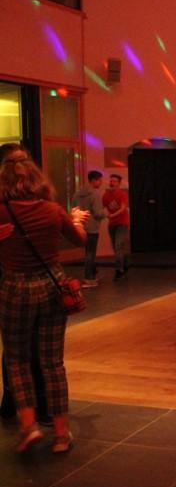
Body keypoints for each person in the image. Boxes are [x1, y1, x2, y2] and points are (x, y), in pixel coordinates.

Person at [0, 148, 88, 453]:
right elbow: (80, 240)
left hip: (15, 288)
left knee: (17, 359)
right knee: (52, 363)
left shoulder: (2, 211)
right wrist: (75, 220)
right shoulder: (52, 209)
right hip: (53, 286)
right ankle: (61, 434)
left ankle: (29, 426)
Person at [72, 170, 107, 287]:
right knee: (91, 253)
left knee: (88, 251)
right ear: (94, 180)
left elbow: (74, 210)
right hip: (92, 227)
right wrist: (106, 212)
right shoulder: (95, 194)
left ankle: (93, 273)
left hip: (81, 226)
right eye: (100, 180)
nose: (101, 183)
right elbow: (97, 213)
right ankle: (89, 278)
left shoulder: (77, 194)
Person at [102, 173, 130, 281]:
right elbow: (104, 207)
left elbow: (123, 208)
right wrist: (106, 215)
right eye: (111, 181)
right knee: (116, 247)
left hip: (122, 223)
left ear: (119, 183)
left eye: (114, 181)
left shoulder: (122, 194)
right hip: (112, 224)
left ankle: (119, 271)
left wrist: (112, 215)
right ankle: (125, 263)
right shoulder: (106, 195)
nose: (111, 183)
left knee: (118, 246)